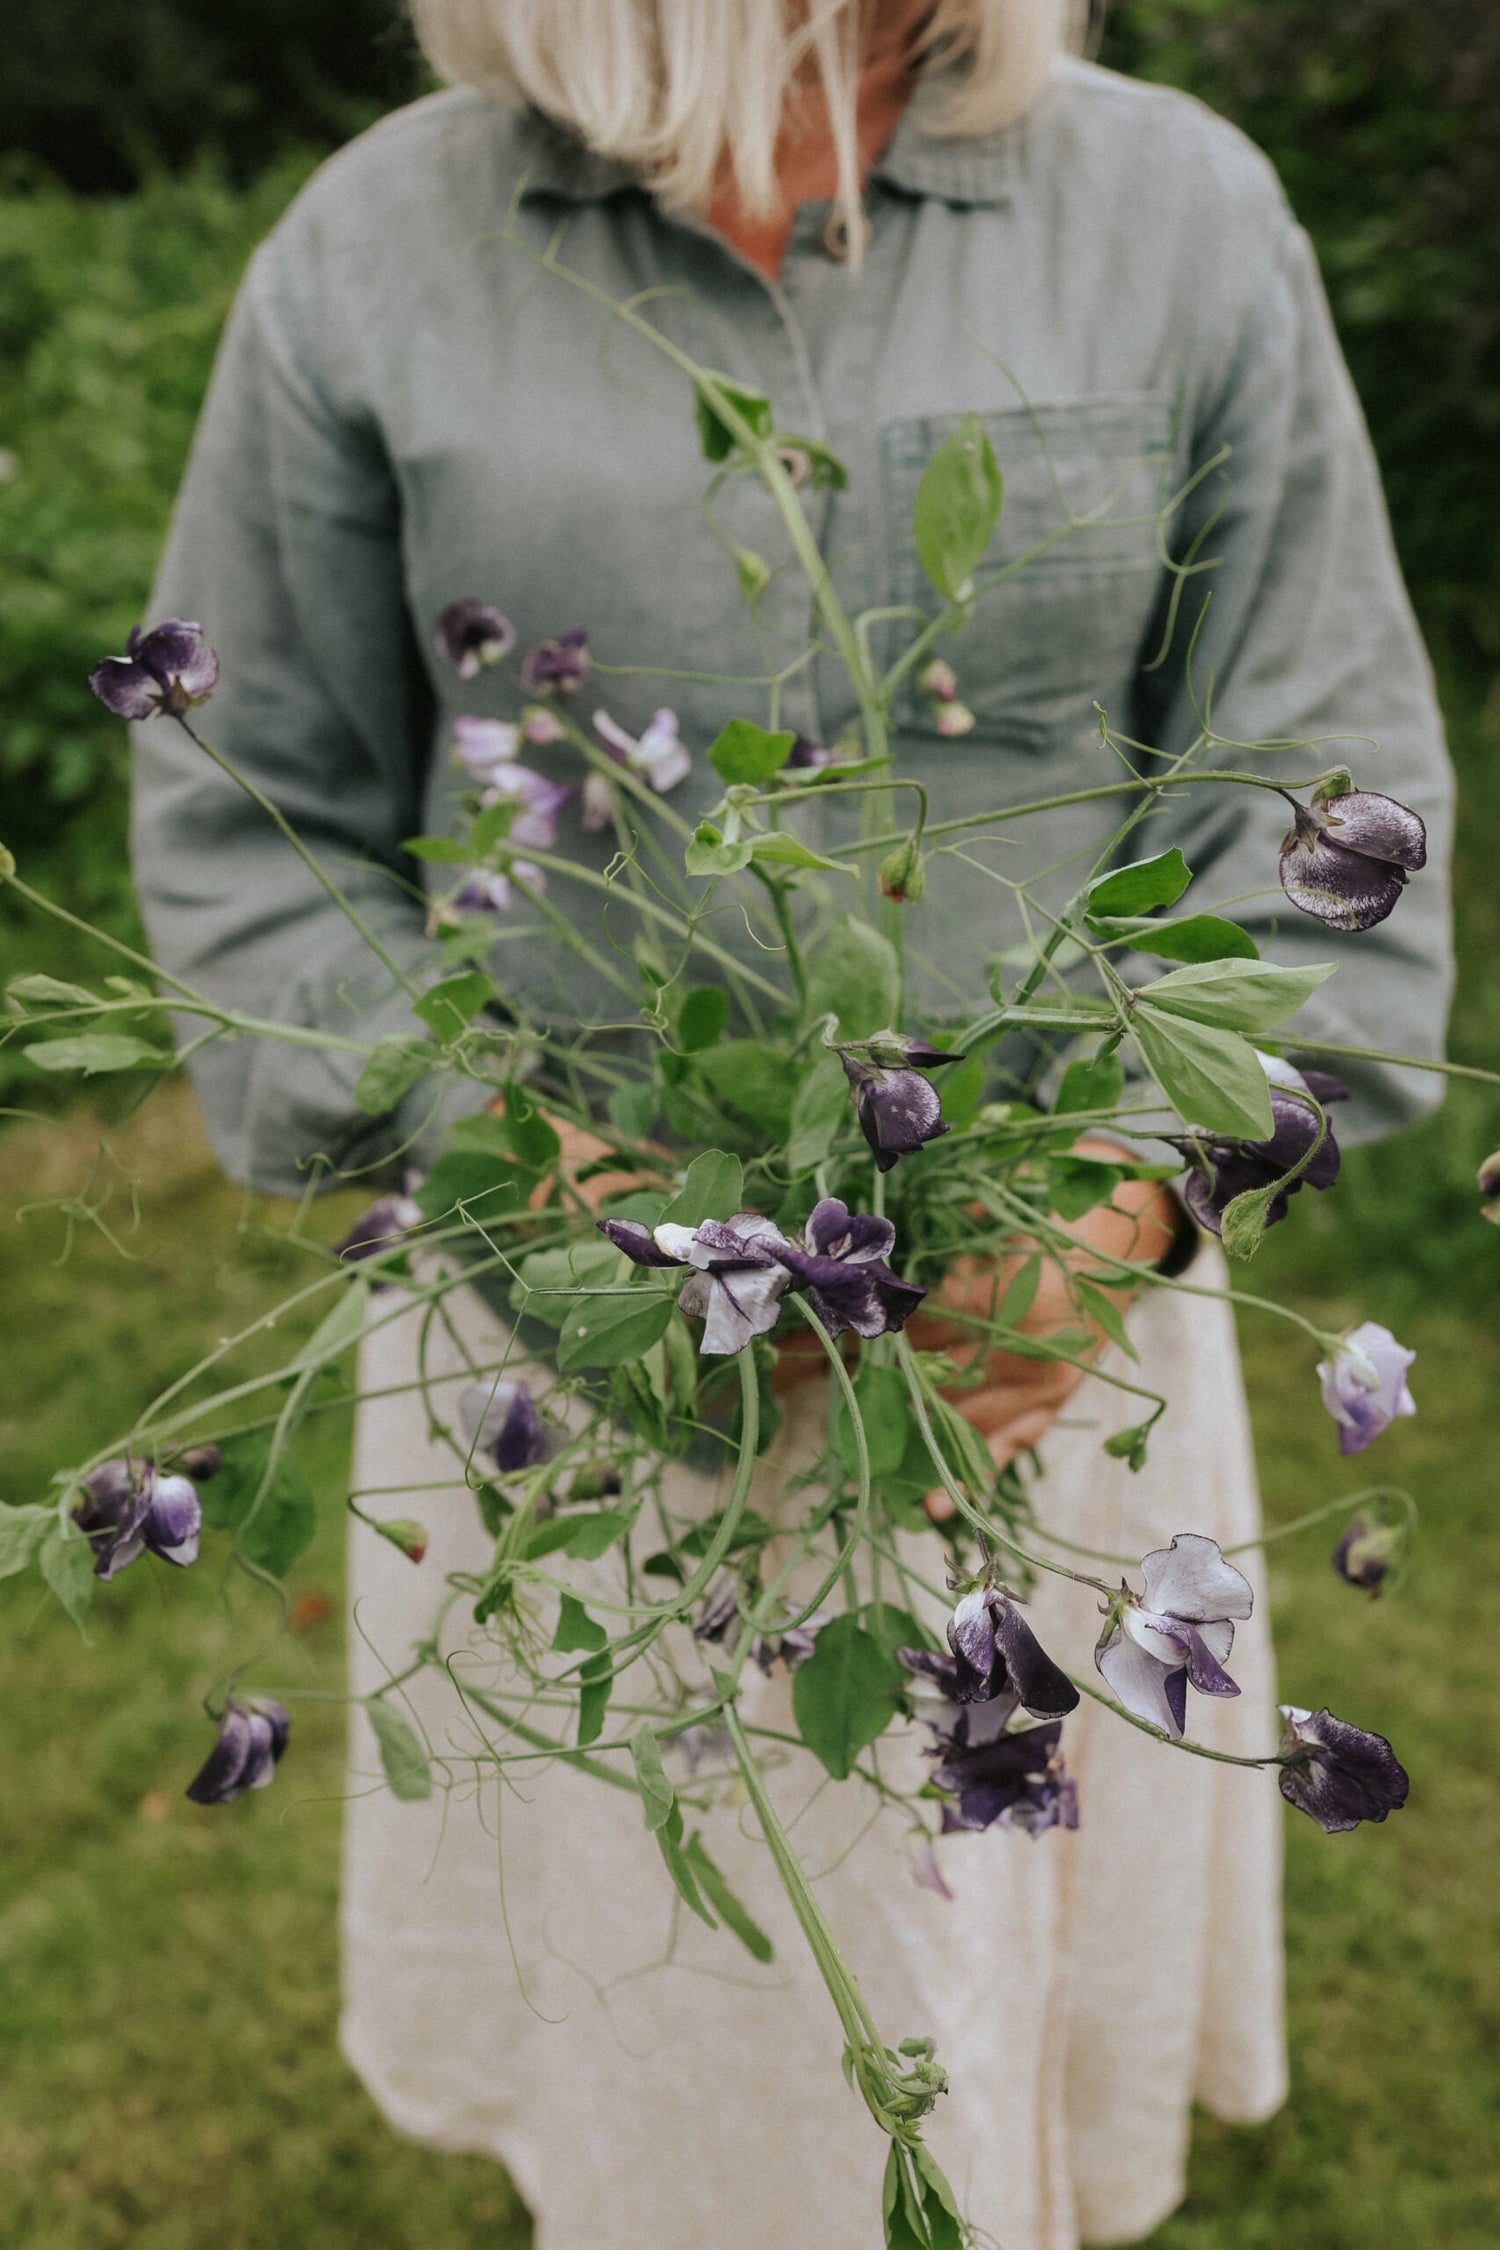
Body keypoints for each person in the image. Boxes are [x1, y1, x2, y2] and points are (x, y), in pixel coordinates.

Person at [130, 4, 1454, 2245]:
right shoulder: (380, 246)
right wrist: (505, 1163)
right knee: (685, 2089)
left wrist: (1126, 1195)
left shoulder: (1176, 210)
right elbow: (256, 825)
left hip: (1052, 1354)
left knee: (999, 2057)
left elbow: (1336, 800)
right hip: (566, 1363)